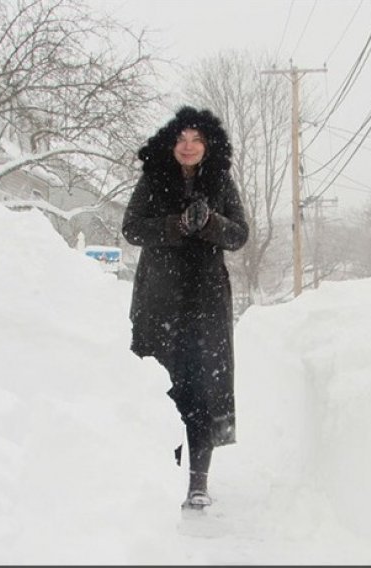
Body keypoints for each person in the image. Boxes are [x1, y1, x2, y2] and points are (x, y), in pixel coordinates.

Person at [121, 106, 249, 511]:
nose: (189, 146)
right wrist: (175, 225)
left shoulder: (221, 182)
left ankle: (198, 482)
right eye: (182, 139)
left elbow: (239, 235)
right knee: (162, 388)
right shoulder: (153, 180)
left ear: (209, 145)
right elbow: (132, 227)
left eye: (196, 140)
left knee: (202, 390)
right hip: (158, 300)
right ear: (170, 144)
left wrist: (210, 222)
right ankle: (163, 474)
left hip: (206, 302)